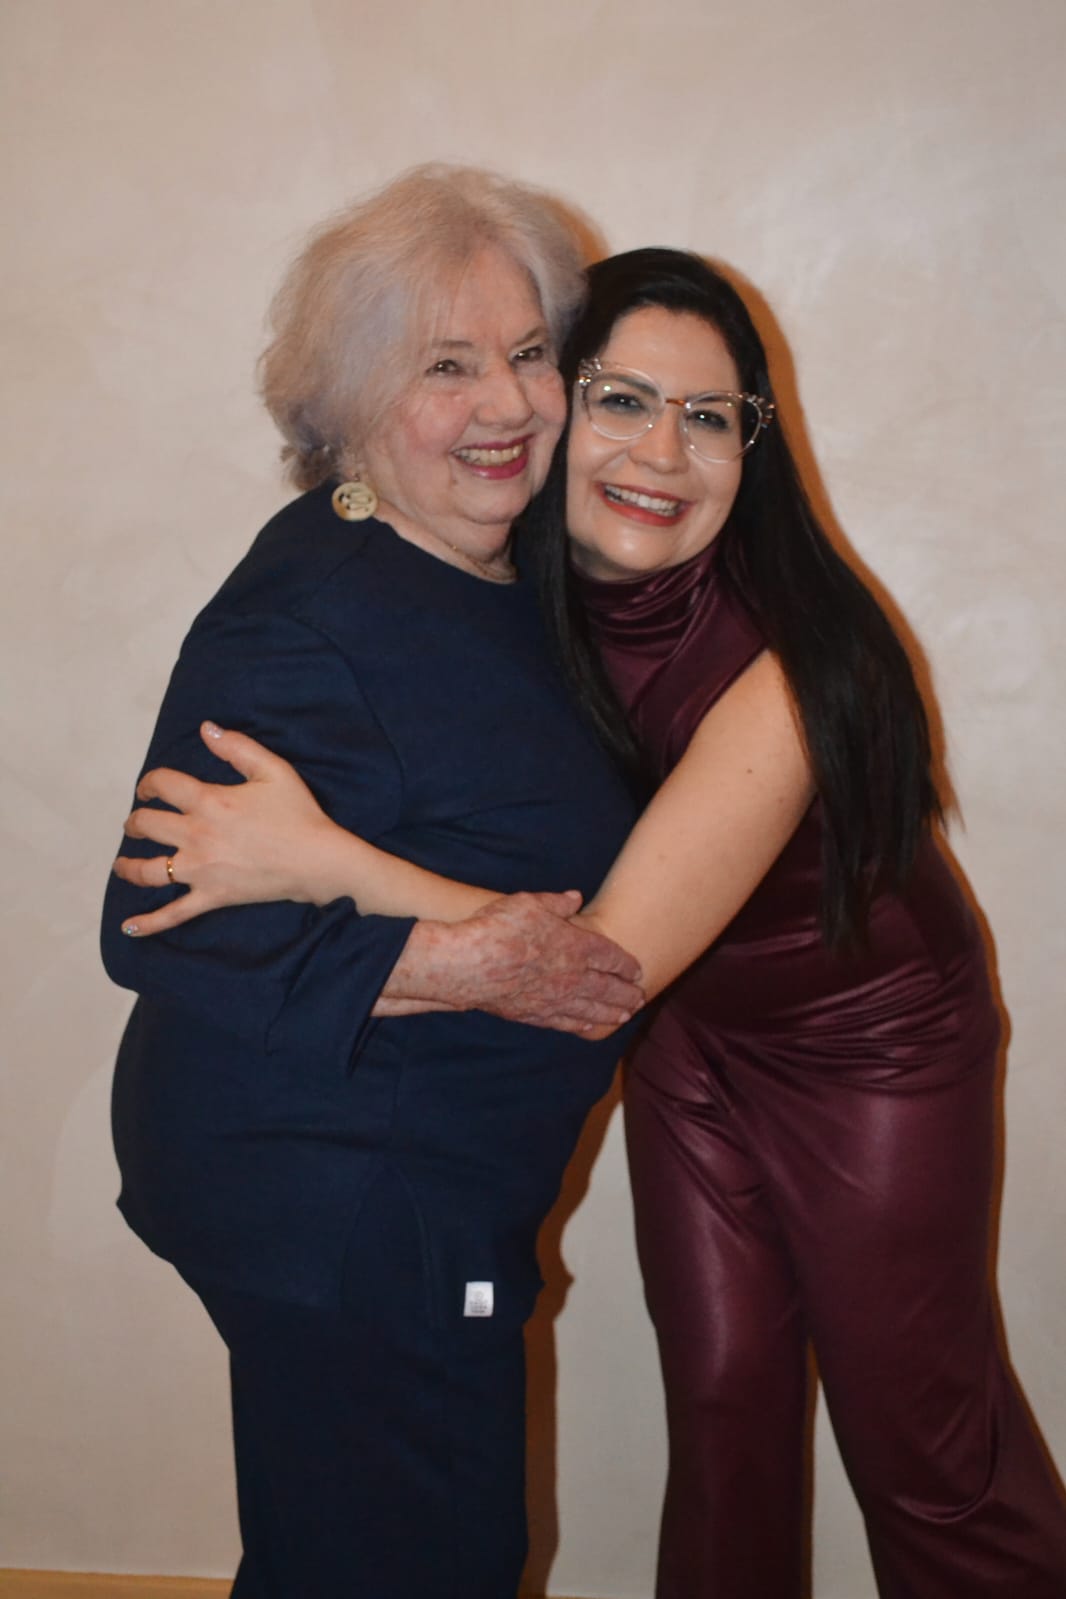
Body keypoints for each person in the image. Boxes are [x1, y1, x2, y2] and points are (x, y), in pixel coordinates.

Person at [113, 249, 1066, 1598]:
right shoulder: (518, 576)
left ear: (753, 445)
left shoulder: (793, 674)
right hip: (687, 1039)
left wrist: (324, 860)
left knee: (922, 1430)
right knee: (724, 1404)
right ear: (562, 404)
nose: (661, 453)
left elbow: (600, 965)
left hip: (865, 1039)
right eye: (621, 399)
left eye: (707, 416)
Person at [100, 165, 651, 1599]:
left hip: (416, 1177)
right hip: (340, 1189)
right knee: (416, 1553)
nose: (508, 404)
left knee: (383, 1545)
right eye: (445, 367)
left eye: (528, 353)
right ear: (349, 407)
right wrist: (475, 960)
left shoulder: (494, 564)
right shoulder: (308, 613)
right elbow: (154, 920)